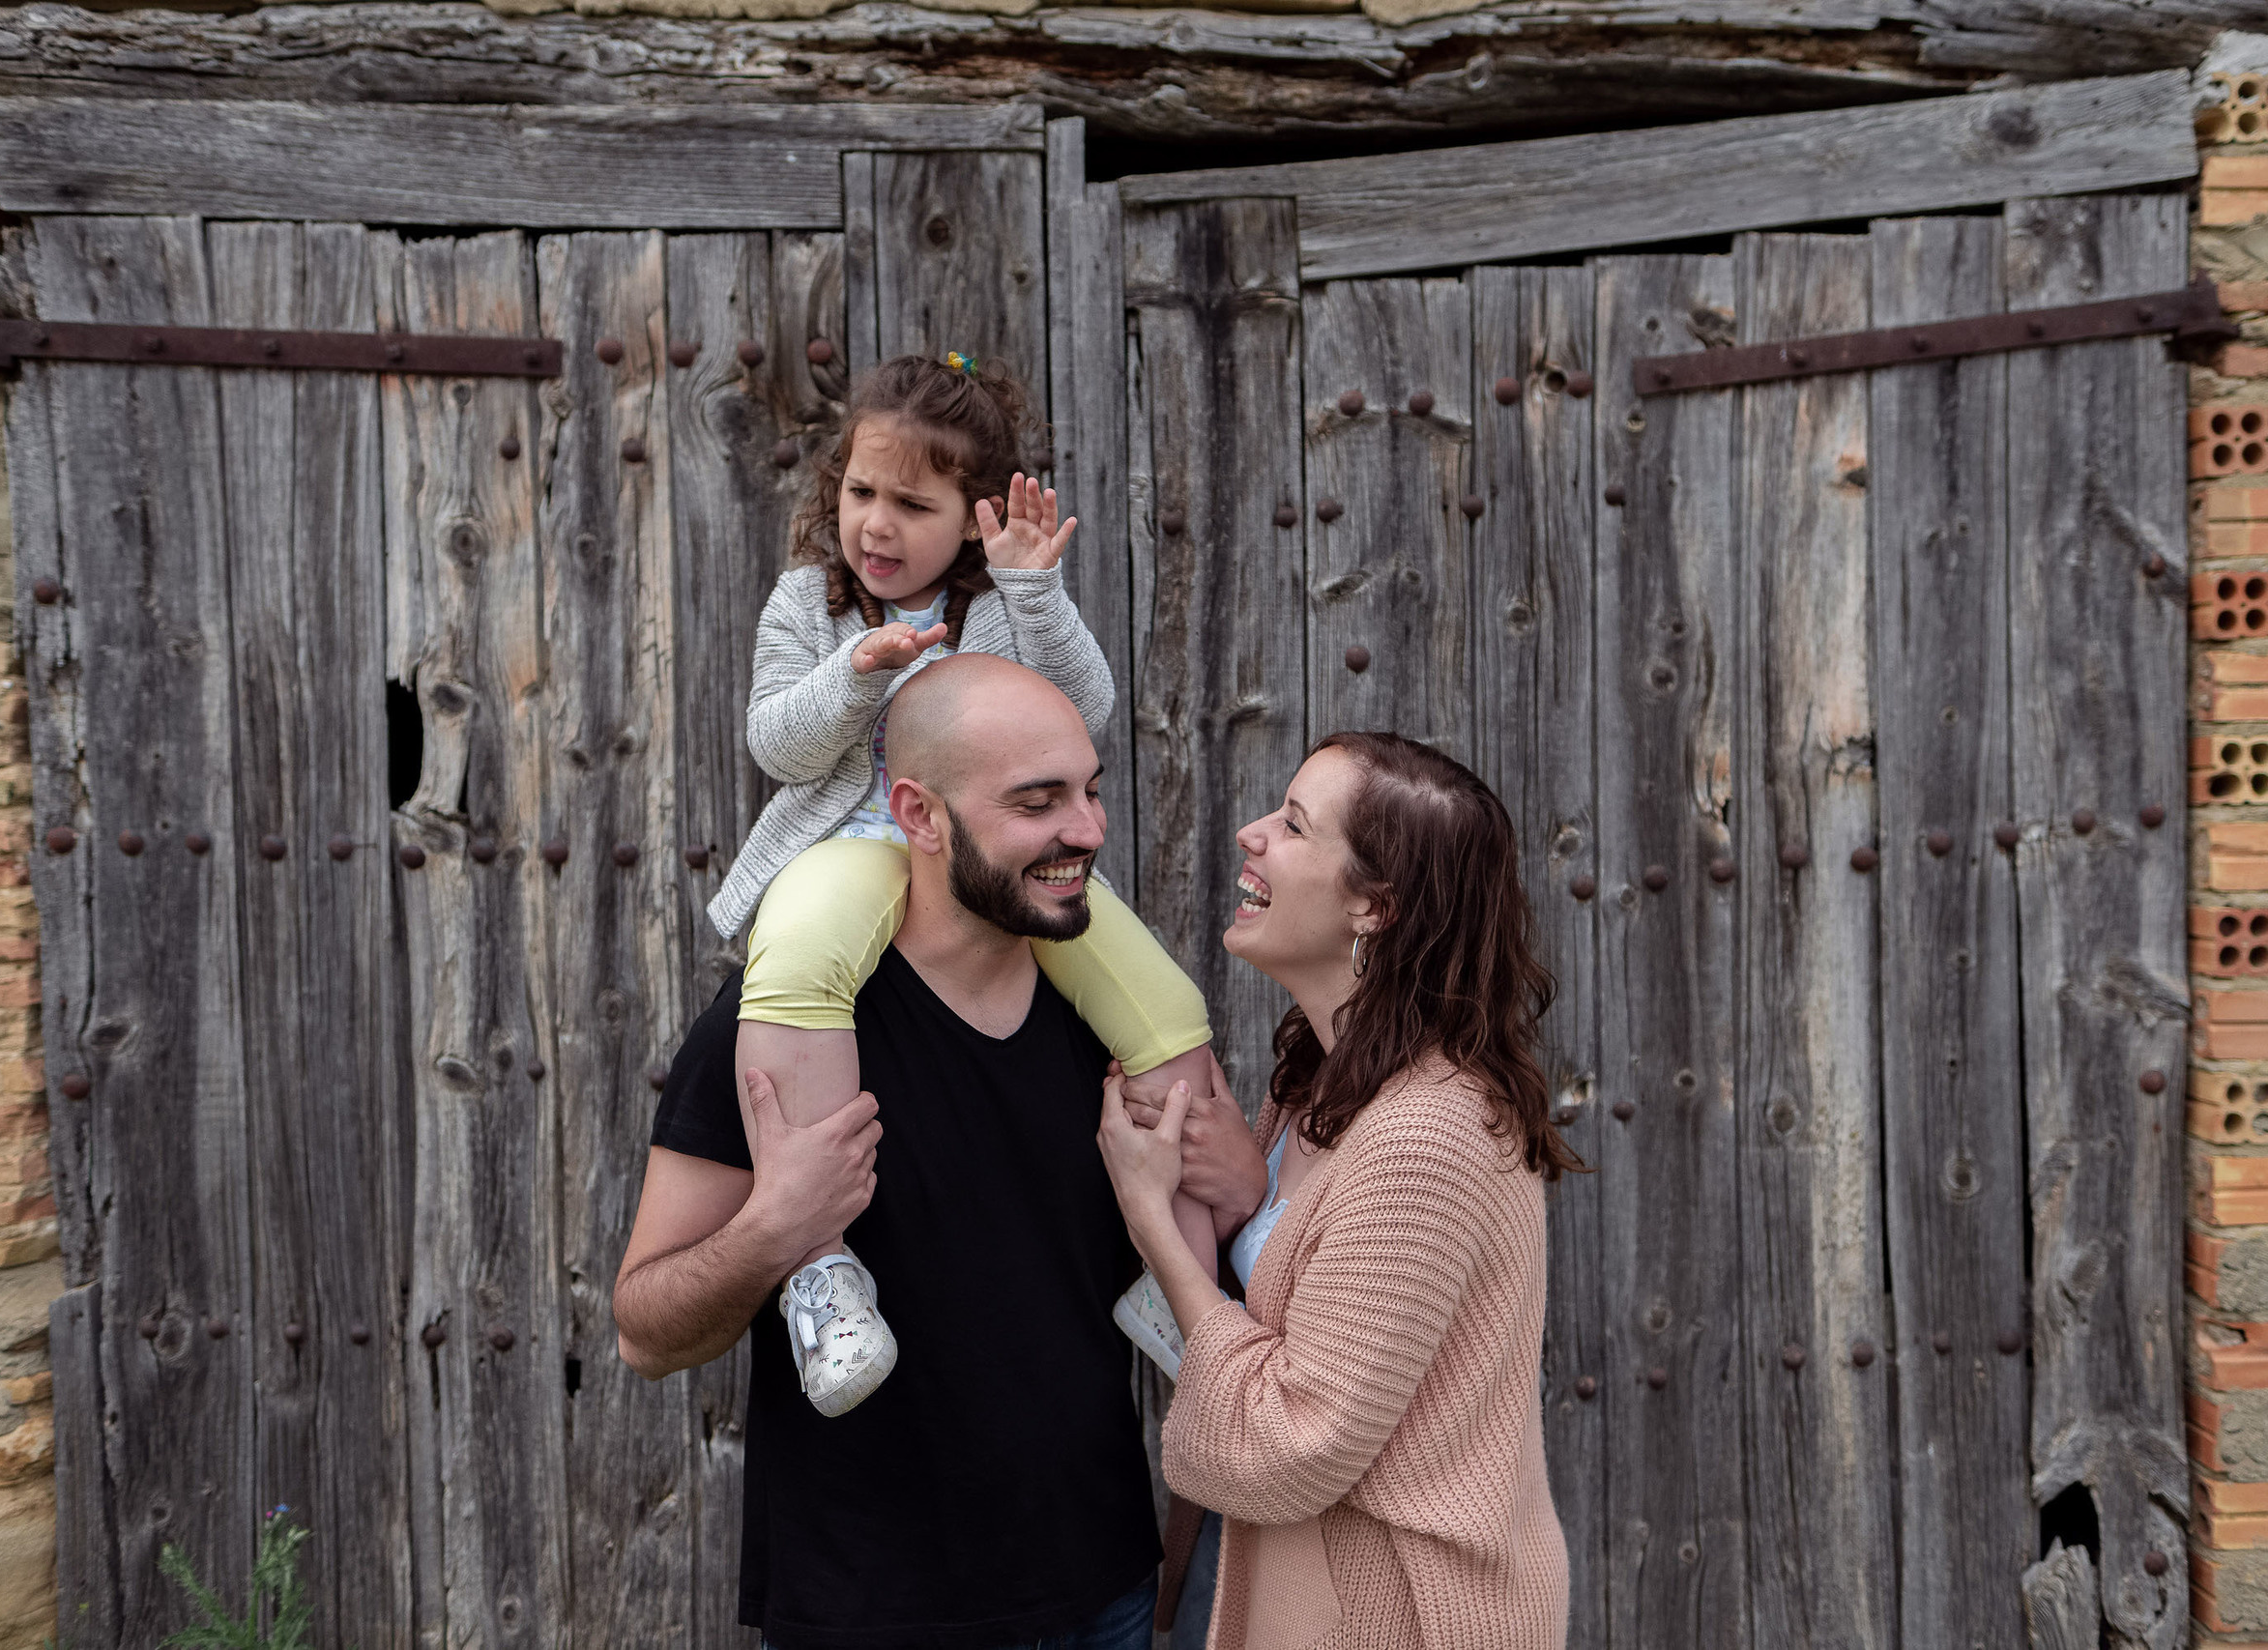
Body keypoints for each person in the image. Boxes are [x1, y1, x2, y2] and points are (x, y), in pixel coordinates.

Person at [615, 655, 1164, 1650]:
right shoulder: (773, 1033)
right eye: (1038, 801)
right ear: (919, 815)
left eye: (1089, 792)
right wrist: (776, 1229)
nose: (1085, 830)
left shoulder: (1111, 1030)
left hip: (1106, 1591)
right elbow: (645, 1333)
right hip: (871, 1615)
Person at [712, 351, 1223, 1415]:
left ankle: (1179, 1274)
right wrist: (854, 679)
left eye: (912, 502)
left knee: (1166, 1005)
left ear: (973, 515)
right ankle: (823, 1274)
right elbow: (776, 745)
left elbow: (1081, 710)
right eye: (860, 492)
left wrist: (1034, 590)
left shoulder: (999, 605)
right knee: (797, 954)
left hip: (992, 867)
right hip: (851, 849)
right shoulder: (808, 604)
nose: (877, 525)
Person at [1096, 731, 1581, 1649]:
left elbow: (1293, 1437)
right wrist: (1245, 1203)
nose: (1250, 833)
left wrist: (1152, 1215)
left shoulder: (1427, 1139)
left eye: (1291, 825)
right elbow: (1313, 1315)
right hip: (1276, 1576)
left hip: (1394, 1611)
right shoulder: (1322, 1081)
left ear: (1374, 904)